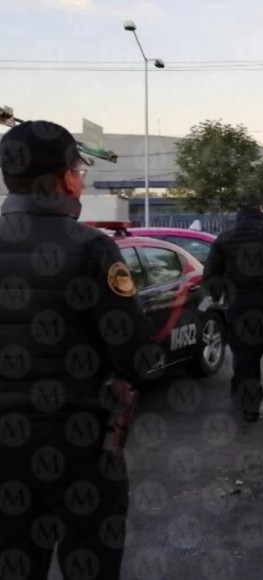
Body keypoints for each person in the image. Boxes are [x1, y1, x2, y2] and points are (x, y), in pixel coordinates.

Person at [0, 121, 157, 578]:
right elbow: (138, 357)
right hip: (81, 446)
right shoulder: (92, 248)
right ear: (67, 177)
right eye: (81, 169)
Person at [203, 191, 263, 422]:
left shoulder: (224, 237)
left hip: (240, 304)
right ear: (261, 207)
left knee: (246, 356)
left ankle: (250, 409)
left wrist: (219, 296)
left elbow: (210, 274)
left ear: (239, 209)